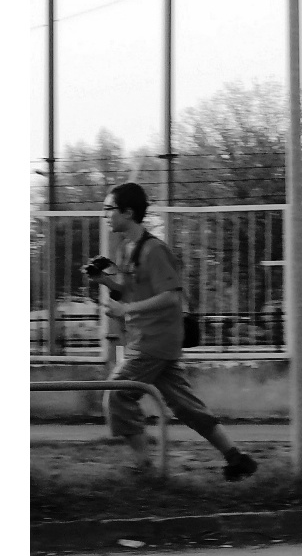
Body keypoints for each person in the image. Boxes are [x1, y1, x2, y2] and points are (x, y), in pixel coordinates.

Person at [84, 182, 257, 479]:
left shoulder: (154, 250)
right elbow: (130, 291)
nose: (105, 215)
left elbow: (171, 296)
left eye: (109, 209)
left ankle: (144, 467)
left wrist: (127, 310)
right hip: (148, 339)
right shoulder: (126, 248)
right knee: (186, 406)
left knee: (117, 395)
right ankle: (236, 458)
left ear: (128, 212)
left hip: (154, 341)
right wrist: (105, 282)